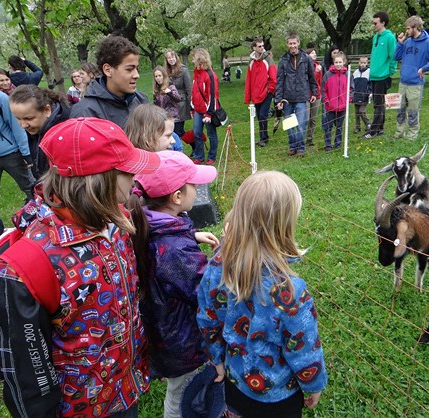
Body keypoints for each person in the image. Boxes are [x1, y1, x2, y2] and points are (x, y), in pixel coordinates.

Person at [0, 117, 160, 417]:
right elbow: (25, 369)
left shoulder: (115, 221)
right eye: (126, 170)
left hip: (123, 387)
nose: (135, 176)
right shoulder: (25, 267)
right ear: (100, 180)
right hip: (78, 408)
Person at [197, 170, 328, 418]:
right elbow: (303, 346)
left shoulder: (217, 264)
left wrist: (216, 359)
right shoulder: (289, 291)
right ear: (283, 226)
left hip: (234, 384)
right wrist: (313, 385)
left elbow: (207, 317)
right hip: (278, 398)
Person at [128, 150, 219, 418]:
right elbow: (207, 289)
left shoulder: (147, 222)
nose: (198, 188)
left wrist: (191, 234)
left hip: (164, 330)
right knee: (182, 396)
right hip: (182, 342)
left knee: (179, 389)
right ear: (177, 197)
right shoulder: (174, 250)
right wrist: (227, 254)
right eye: (194, 184)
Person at [70, 35, 148, 128]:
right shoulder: (85, 113)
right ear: (107, 70)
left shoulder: (141, 100)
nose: (136, 75)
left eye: (137, 68)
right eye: (129, 69)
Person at [0, 82, 34, 217]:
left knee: (30, 187)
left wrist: (26, 153)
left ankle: (42, 218)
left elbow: (17, 127)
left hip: (10, 154)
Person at [393, 16, 429, 140]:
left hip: (415, 84)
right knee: (400, 110)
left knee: (412, 111)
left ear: (415, 27)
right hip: (403, 83)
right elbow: (396, 57)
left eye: (408, 28)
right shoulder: (407, 41)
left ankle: (411, 136)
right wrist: (400, 43)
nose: (406, 31)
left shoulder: (428, 43)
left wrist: (424, 68)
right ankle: (398, 134)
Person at [9, 85, 71, 178]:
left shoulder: (65, 134)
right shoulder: (37, 128)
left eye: (28, 118)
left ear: (47, 110)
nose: (23, 125)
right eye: (18, 118)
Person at [275, 32, 318, 157]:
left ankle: (301, 147)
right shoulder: (283, 60)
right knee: (289, 125)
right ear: (287, 44)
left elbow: (311, 77)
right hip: (287, 98)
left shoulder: (306, 59)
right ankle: (292, 145)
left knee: (300, 125)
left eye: (294, 43)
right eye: (290, 43)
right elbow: (280, 81)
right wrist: (278, 99)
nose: (292, 46)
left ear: (298, 43)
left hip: (302, 96)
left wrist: (313, 92)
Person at [362, 11, 397, 139]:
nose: (373, 25)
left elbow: (393, 56)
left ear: (383, 23)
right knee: (378, 103)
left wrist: (390, 72)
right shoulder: (375, 37)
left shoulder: (390, 37)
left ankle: (374, 130)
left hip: (383, 76)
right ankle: (380, 128)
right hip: (374, 75)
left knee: (378, 104)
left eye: (375, 23)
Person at [244, 37, 277, 147]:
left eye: (262, 45)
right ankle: (263, 136)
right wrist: (248, 96)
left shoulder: (268, 59)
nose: (262, 48)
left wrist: (269, 90)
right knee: (259, 116)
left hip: (266, 92)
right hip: (256, 93)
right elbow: (249, 79)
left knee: (263, 115)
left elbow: (273, 76)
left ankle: (264, 138)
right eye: (259, 46)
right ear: (254, 48)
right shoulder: (251, 61)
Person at [190, 47, 220, 166]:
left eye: (193, 58)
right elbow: (194, 91)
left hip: (208, 111)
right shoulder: (196, 73)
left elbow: (213, 95)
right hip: (198, 109)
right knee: (197, 132)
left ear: (199, 59)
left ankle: (212, 156)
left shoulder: (210, 75)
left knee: (211, 134)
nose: (192, 60)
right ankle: (199, 156)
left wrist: (209, 114)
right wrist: (192, 107)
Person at [322, 52, 350, 152]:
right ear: (333, 62)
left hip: (342, 106)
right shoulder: (327, 75)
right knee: (328, 127)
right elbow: (323, 90)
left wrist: (348, 99)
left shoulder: (347, 75)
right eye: (336, 62)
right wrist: (326, 101)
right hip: (330, 107)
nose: (338, 64)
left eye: (340, 62)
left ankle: (338, 144)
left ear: (344, 62)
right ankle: (328, 145)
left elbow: (351, 89)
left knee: (339, 127)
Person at [164, 49, 192, 138]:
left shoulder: (183, 70)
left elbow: (189, 88)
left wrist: (191, 105)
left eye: (172, 57)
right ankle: (191, 142)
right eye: (168, 58)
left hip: (181, 104)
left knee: (178, 131)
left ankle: (192, 142)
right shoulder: (166, 71)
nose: (171, 59)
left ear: (176, 57)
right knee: (172, 130)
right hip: (170, 105)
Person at [305, 47, 323, 147]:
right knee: (305, 117)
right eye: (312, 53)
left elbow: (319, 82)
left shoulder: (318, 66)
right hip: (306, 95)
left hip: (316, 95)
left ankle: (310, 138)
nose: (314, 54)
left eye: (315, 53)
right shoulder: (304, 66)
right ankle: (300, 137)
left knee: (313, 118)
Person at [352, 56, 371, 134]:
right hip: (356, 95)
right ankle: (358, 127)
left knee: (361, 111)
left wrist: (370, 92)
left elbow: (371, 84)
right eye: (361, 62)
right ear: (359, 62)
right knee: (357, 112)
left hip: (365, 96)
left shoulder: (369, 72)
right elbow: (352, 84)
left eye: (364, 63)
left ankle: (368, 124)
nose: (362, 64)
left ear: (367, 63)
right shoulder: (355, 72)